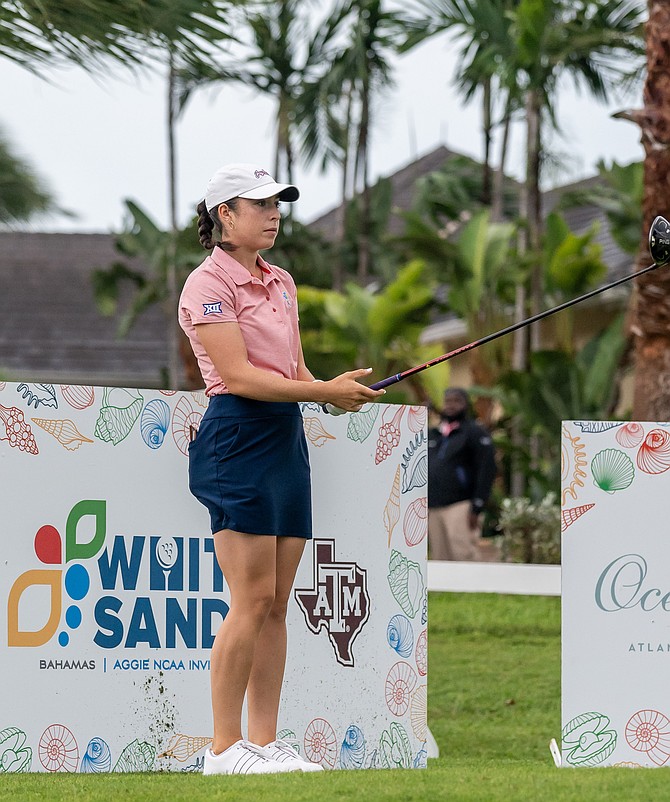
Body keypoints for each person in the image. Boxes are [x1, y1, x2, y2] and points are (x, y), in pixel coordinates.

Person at [178, 163, 384, 776]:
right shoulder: (206, 284)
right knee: (251, 597)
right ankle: (222, 750)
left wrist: (330, 389)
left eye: (278, 204)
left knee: (277, 602)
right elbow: (238, 376)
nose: (275, 214)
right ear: (225, 215)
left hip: (284, 439)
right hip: (235, 437)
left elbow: (293, 372)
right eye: (261, 204)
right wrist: (319, 391)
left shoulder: (283, 282)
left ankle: (264, 745)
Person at [427, 387, 496, 561]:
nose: (451, 405)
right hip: (434, 506)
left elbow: (486, 469)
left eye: (456, 401)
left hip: (460, 505)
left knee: (463, 554)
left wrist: (477, 505)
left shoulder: (474, 432)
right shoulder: (434, 434)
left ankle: (474, 587)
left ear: (466, 404)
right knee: (440, 557)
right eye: (447, 401)